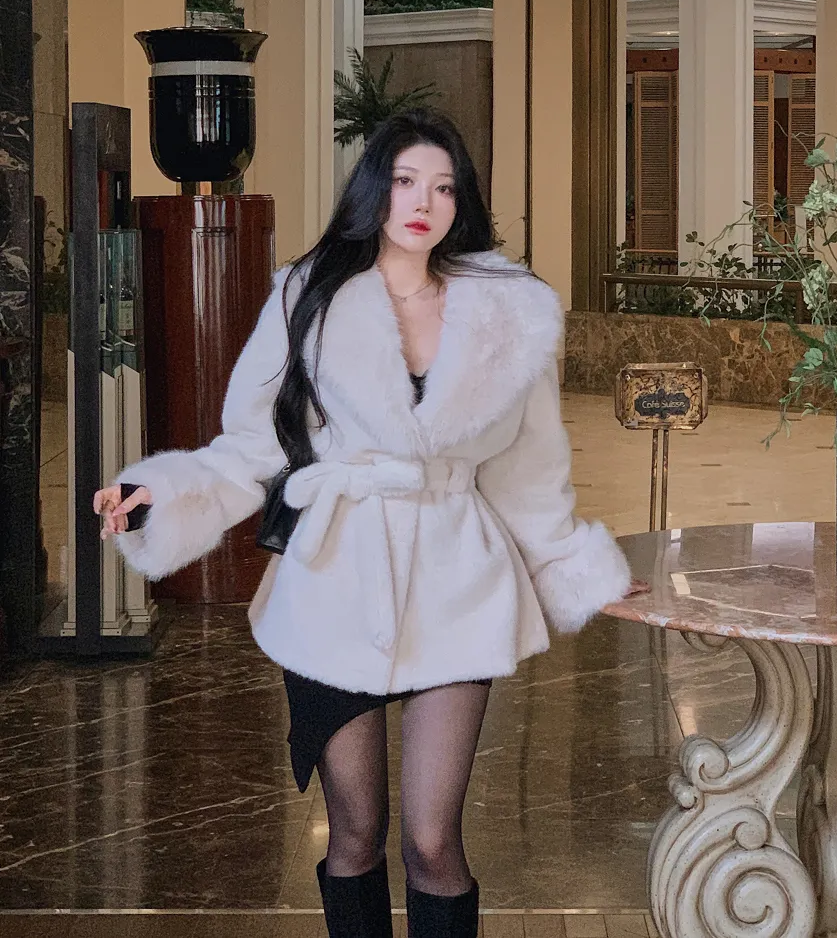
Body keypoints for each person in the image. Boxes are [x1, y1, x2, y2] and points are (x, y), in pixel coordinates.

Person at [94, 108, 638, 938]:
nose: (423, 202)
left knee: (433, 840)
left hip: (458, 578)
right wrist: (157, 494)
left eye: (444, 187)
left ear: (463, 202)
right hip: (334, 578)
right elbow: (251, 447)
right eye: (407, 180)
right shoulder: (307, 293)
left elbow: (530, 473)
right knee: (353, 832)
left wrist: (575, 568)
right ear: (375, 188)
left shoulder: (510, 313)